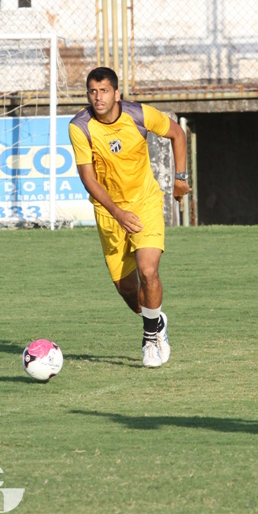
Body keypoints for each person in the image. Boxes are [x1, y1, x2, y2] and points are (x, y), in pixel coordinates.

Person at [68, 67, 190, 368]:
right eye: (93, 91)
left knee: (148, 272)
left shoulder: (139, 115)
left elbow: (177, 133)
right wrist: (117, 213)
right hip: (109, 212)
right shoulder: (80, 126)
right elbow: (88, 178)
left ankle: (151, 340)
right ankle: (155, 318)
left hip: (145, 203)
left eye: (104, 90)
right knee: (126, 289)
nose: (98, 97)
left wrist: (180, 177)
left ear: (116, 94)